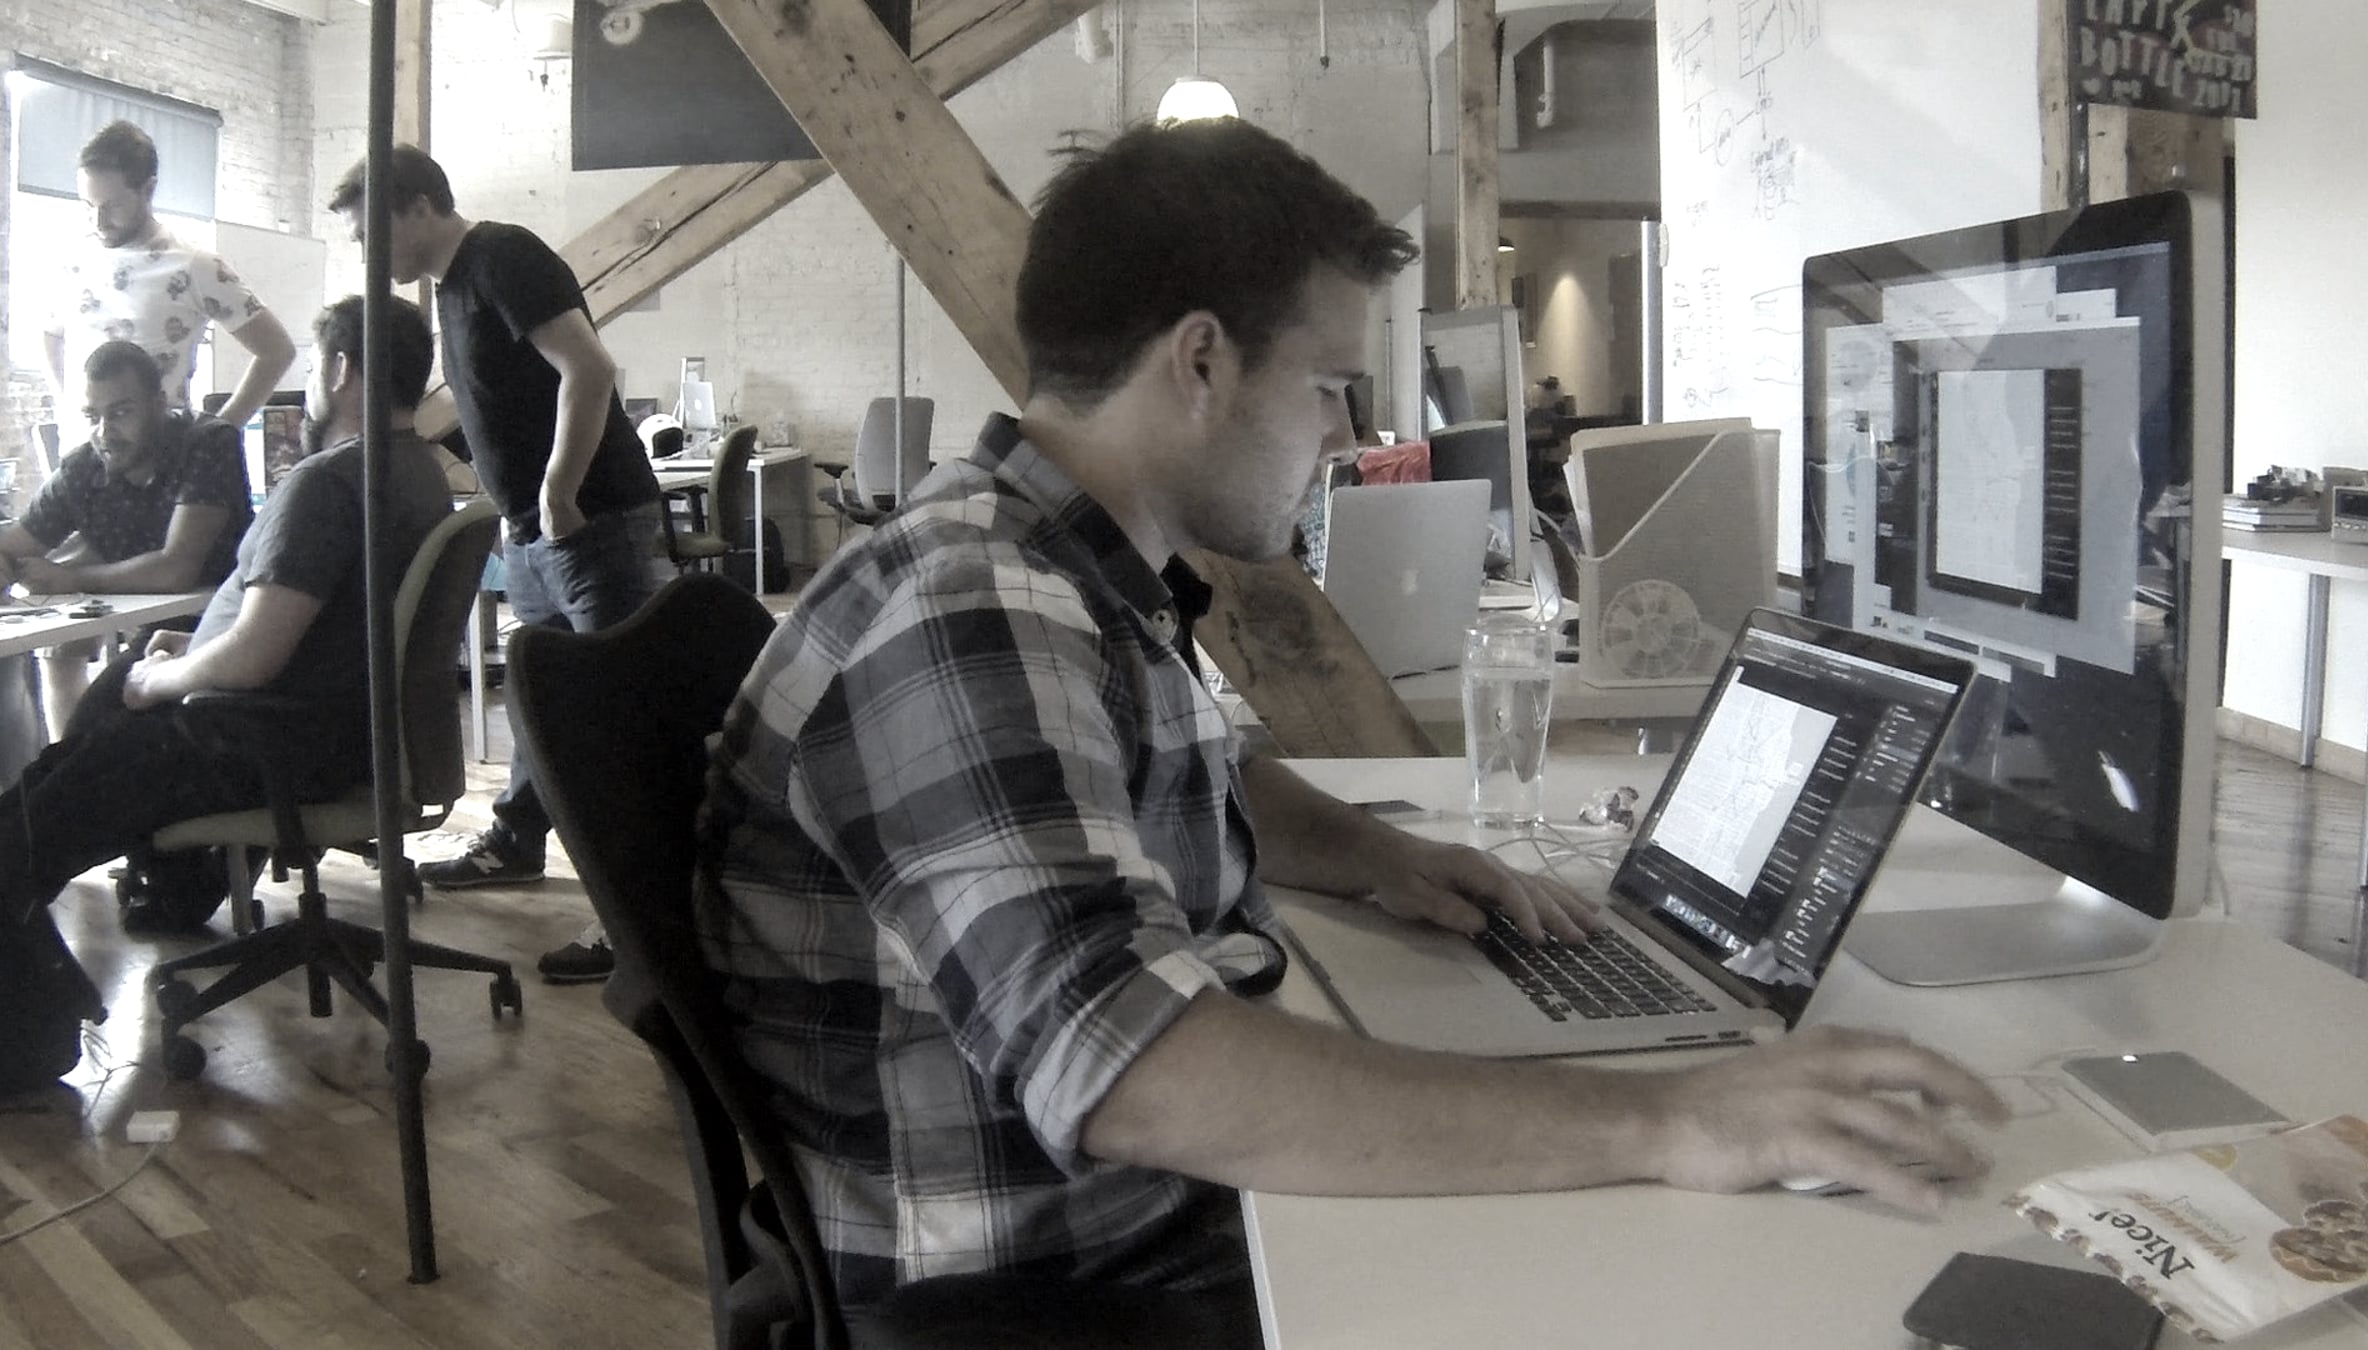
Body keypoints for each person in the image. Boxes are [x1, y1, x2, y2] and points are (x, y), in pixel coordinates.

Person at [690, 119, 2003, 1329]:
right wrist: (1670, 1119)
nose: (1347, 436)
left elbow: (1156, 775)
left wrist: (1380, 855)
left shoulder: (1049, 562)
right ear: (1202, 361)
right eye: (1329, 385)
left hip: (1127, 1224)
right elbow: (1133, 1071)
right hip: (1069, 1287)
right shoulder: (973, 608)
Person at [0, 294, 455, 941]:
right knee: (83, 744)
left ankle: (40, 948)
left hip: (264, 739)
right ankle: (173, 889)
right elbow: (331, 627)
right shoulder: (419, 471)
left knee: (39, 818)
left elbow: (254, 657)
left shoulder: (326, 482)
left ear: (340, 370)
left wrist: (163, 677)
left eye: (314, 365)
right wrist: (193, 647)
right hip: (345, 729)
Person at [329, 146, 660, 983]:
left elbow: (589, 368)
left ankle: (643, 921)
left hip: (592, 520)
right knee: (541, 702)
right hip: (542, 531)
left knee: (615, 719)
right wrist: (517, 506)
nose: (367, 254)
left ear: (416, 206)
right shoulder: (451, 286)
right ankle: (516, 839)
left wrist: (557, 490)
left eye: (370, 233)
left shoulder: (502, 256)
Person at [0, 342, 253, 729]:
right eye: (92, 416)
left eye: (120, 412)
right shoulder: (83, 468)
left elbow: (177, 568)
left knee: (111, 737)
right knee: (83, 736)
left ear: (159, 403)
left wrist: (72, 578)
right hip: (154, 638)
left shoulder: (208, 442)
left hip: (233, 633)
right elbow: (13, 546)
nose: (104, 432)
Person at [45, 121, 295, 430]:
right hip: (80, 452)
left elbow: (277, 351)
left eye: (113, 206)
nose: (98, 221)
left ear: (148, 190)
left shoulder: (194, 266)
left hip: (160, 452)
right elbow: (50, 333)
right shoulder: (73, 260)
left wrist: (218, 432)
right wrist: (65, 404)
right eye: (88, 205)